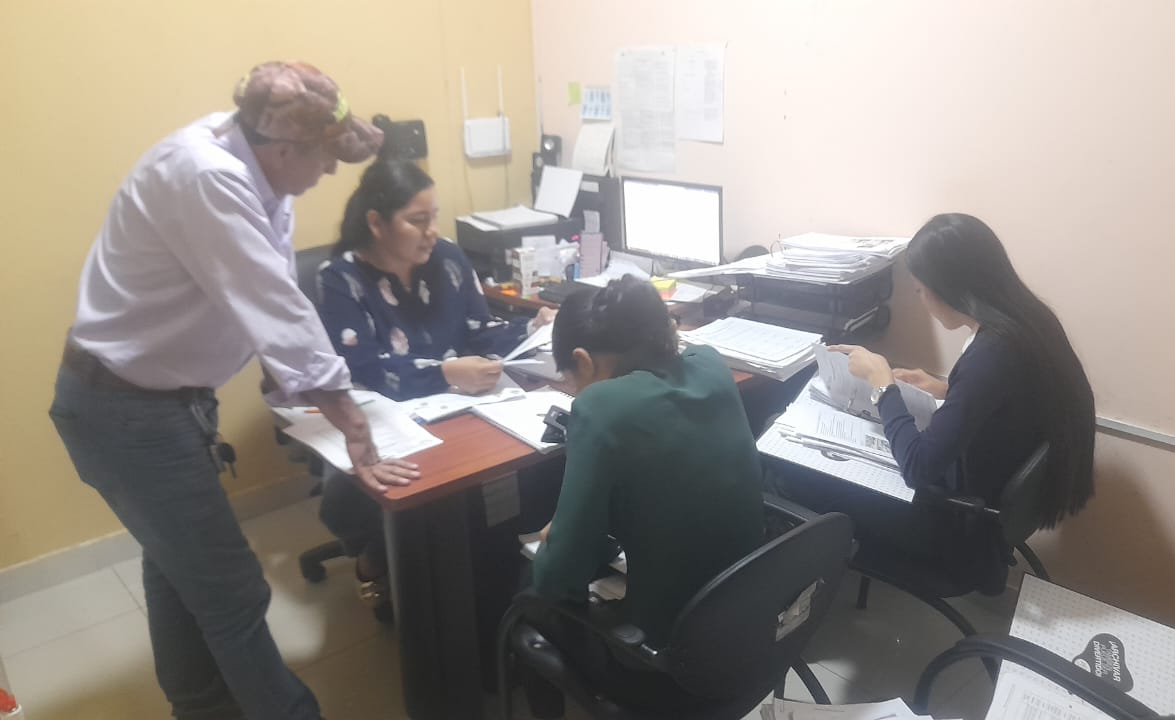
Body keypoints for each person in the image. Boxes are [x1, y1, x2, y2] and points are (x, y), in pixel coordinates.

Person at [48, 62, 417, 720]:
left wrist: (291, 381)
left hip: (164, 403)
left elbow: (258, 295)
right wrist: (352, 424)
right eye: (324, 159)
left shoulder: (258, 164)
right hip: (123, 410)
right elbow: (273, 302)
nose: (329, 172)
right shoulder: (205, 175)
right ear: (286, 148)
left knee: (177, 569)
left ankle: (198, 706)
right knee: (232, 590)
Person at [802, 213, 1095, 592]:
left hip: (953, 531)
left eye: (921, 290)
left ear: (949, 288)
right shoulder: (1026, 323)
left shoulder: (991, 354)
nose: (921, 300)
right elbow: (1012, 402)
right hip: (983, 508)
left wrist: (882, 386)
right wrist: (946, 390)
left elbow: (918, 467)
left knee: (804, 477)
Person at [313, 157, 555, 602]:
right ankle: (378, 559)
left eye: (434, 217)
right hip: (379, 419)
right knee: (402, 495)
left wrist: (530, 329)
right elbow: (362, 367)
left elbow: (481, 330)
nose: (431, 231)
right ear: (376, 223)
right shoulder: (341, 278)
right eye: (417, 220)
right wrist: (446, 371)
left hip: (460, 406)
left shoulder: (447, 258)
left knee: (517, 467)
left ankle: (476, 579)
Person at [522, 276, 764, 714]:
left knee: (527, 595)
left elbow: (558, 579)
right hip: (749, 633)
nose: (574, 393)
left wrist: (560, 538)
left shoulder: (600, 408)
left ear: (582, 361)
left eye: (570, 381)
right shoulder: (709, 363)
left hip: (665, 664)